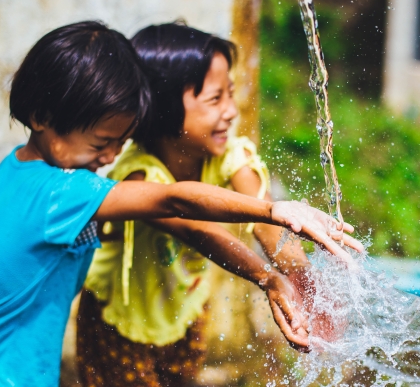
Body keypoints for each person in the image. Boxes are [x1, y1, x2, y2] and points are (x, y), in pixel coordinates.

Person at [0, 21, 360, 387]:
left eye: (120, 142)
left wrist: (290, 274)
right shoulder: (62, 191)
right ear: (43, 116)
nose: (109, 158)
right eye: (102, 143)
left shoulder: (16, 170)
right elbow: (176, 202)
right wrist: (273, 212)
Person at [75, 22, 334, 387]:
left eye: (230, 94)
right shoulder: (138, 175)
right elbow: (200, 231)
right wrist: (266, 277)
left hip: (186, 306)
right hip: (120, 319)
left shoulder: (228, 155)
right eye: (215, 99)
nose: (230, 111)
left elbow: (265, 219)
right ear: (163, 108)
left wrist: (301, 275)